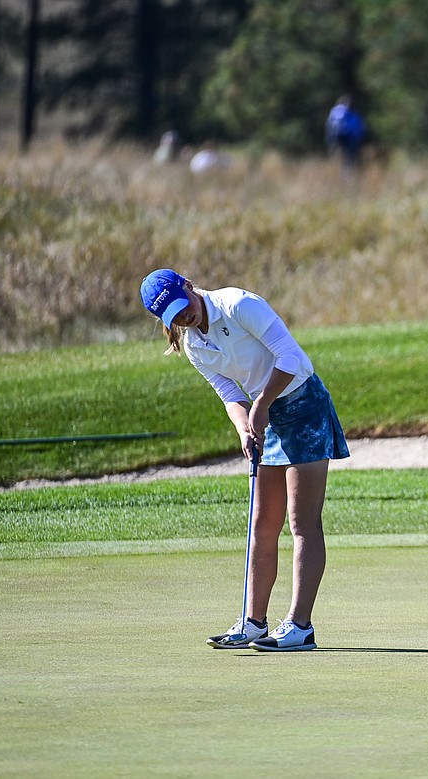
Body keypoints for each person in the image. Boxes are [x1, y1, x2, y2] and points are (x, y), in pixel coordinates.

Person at [139, 269, 350, 650]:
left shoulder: (238, 304)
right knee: (262, 524)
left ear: (188, 285)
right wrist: (244, 427)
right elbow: (227, 392)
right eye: (172, 316)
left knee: (301, 522)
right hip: (263, 413)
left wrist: (262, 405)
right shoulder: (194, 346)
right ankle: (254, 623)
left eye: (181, 305)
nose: (183, 318)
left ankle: (300, 627)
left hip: (303, 406)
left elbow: (290, 355)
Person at [325, 95, 367, 174]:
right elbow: (359, 128)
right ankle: (349, 175)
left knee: (337, 158)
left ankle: (335, 174)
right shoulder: (353, 114)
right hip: (351, 140)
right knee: (350, 159)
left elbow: (328, 126)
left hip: (335, 139)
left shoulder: (333, 112)